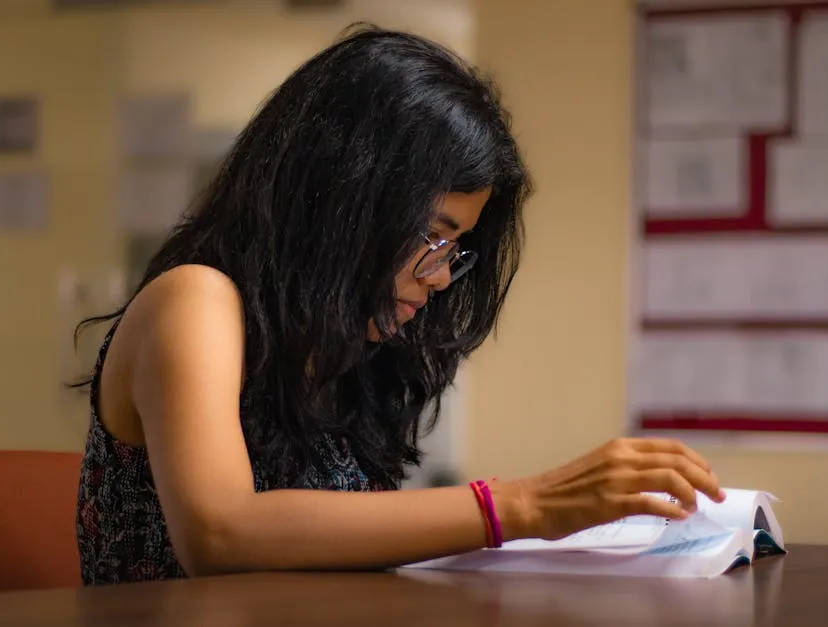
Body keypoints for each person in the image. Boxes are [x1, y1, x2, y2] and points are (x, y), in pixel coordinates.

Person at [72, 24, 723, 586]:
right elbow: (221, 532)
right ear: (341, 196)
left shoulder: (339, 349)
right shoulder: (196, 301)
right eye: (430, 235)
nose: (441, 277)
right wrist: (521, 504)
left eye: (456, 246)